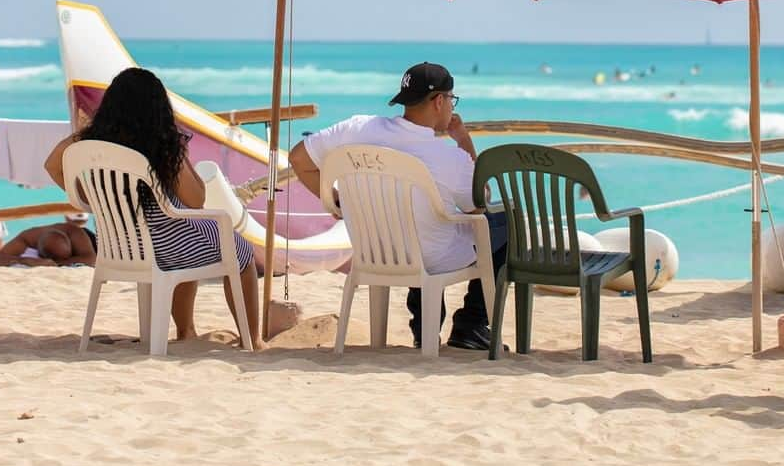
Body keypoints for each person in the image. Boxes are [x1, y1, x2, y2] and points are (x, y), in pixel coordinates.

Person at [289, 61, 507, 351]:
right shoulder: (447, 158)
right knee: (508, 220)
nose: (452, 107)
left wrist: (335, 201)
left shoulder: (355, 128)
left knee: (422, 224)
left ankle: (423, 330)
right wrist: (464, 140)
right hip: (431, 257)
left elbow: (298, 159)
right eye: (451, 100)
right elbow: (478, 205)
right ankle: (472, 324)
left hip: (374, 250)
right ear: (439, 101)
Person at [45, 67, 264, 349]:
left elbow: (52, 164)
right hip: (163, 245)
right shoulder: (164, 144)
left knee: (194, 234)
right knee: (241, 252)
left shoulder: (91, 142)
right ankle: (253, 340)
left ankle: (187, 331)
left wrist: (89, 199)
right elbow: (196, 201)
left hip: (119, 244)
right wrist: (181, 157)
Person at [0, 220, 97, 268]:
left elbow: (91, 259)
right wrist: (24, 260)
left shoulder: (74, 232)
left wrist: (58, 263)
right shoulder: (27, 238)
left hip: (90, 240)